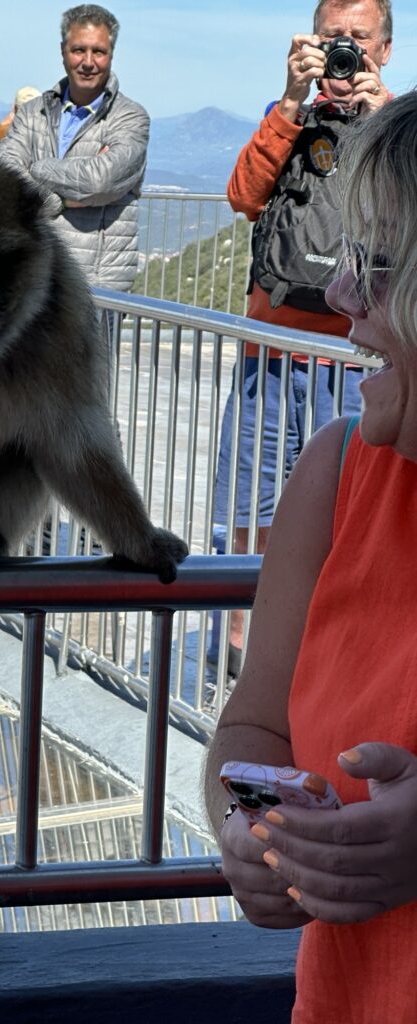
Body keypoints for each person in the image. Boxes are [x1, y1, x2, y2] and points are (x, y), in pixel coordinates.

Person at [205, 89, 417, 1023]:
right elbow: (255, 731)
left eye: (376, 265)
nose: (337, 297)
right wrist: (252, 828)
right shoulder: (335, 475)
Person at [210, 0, 393, 672]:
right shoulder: (289, 116)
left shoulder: (399, 127)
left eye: (359, 40)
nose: (344, 55)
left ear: (386, 50)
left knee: (348, 512)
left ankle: (328, 653)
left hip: (354, 358)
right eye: (331, 39)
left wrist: (381, 125)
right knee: (251, 505)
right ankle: (239, 651)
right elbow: (243, 195)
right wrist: (290, 99)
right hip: (271, 349)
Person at [0, 4, 149, 293]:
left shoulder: (130, 117)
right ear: (63, 51)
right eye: (79, 50)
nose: (88, 62)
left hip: (97, 284)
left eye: (99, 52)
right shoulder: (32, 113)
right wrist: (64, 200)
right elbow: (4, 178)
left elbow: (99, 180)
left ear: (111, 54)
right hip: (34, 276)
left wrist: (38, 168)